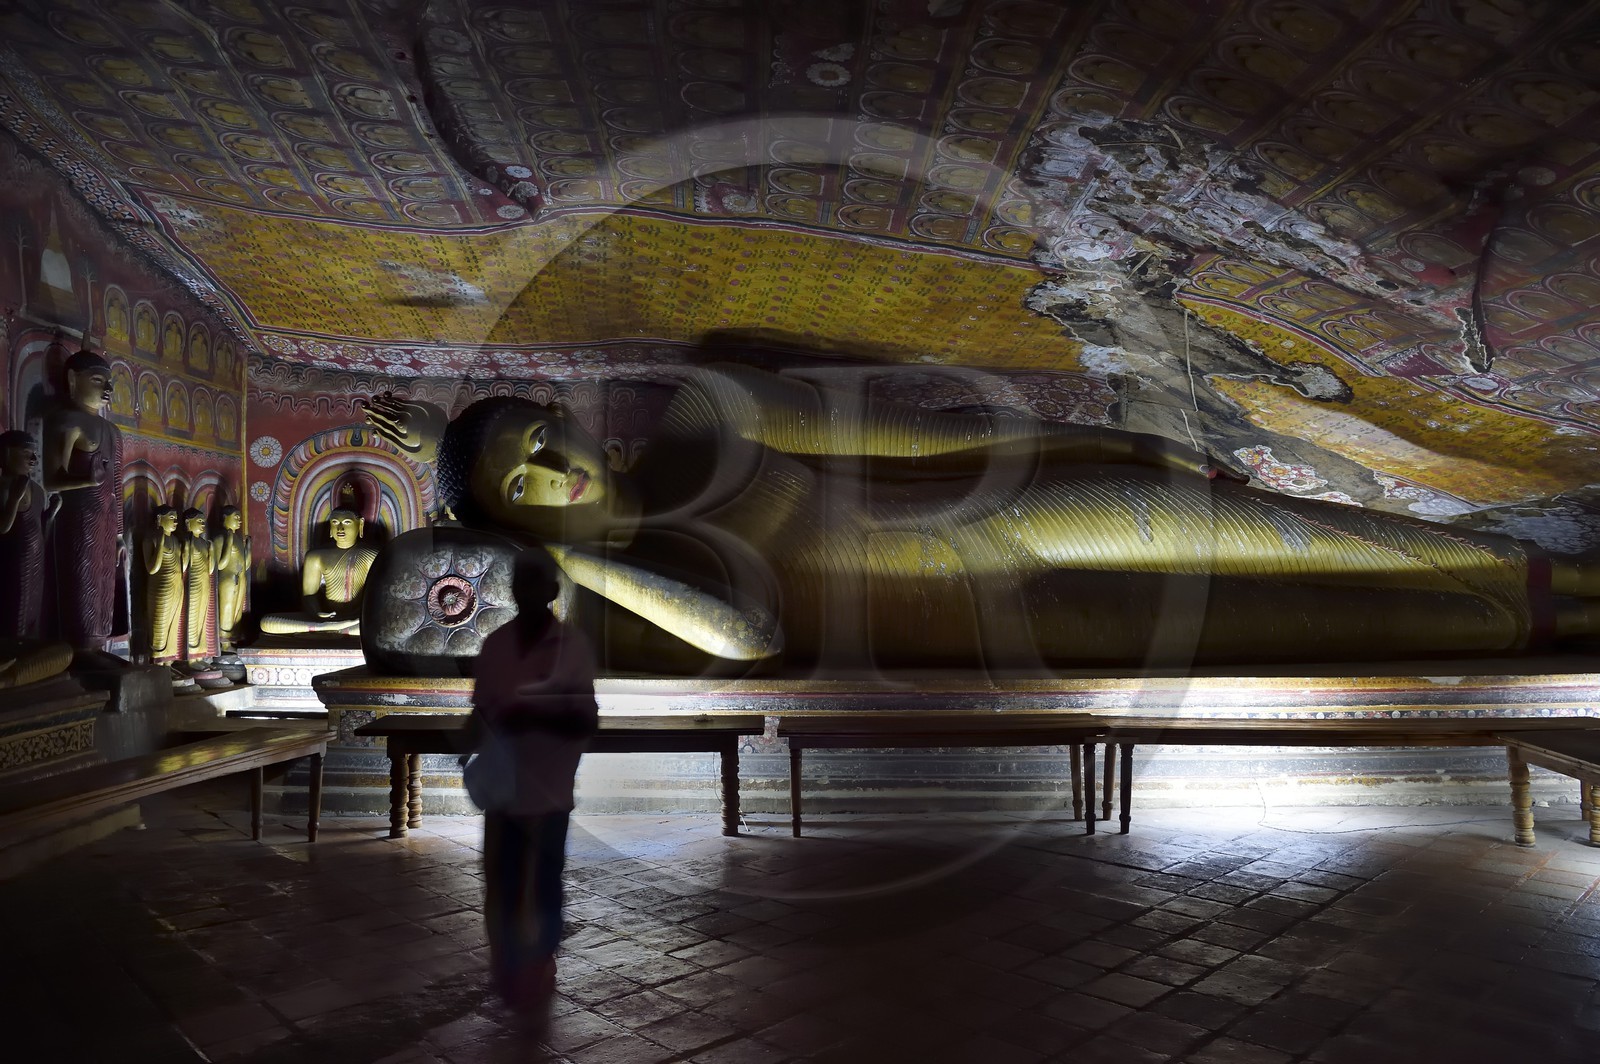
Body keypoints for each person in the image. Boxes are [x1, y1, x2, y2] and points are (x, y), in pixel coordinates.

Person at [364, 362, 1600, 675]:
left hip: (1020, 508)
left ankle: (1572, 583)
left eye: (542, 443)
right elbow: (745, 640)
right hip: (1013, 613)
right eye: (527, 489)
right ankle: (1544, 630)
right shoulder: (675, 569)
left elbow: (929, 435)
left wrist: (1113, 442)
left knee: (1311, 535)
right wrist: (540, 552)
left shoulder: (705, 415)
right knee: (1303, 624)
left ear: (572, 420)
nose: (552, 473)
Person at [464, 551, 598, 1011]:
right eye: (521, 582)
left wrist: (532, 717)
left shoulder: (572, 647)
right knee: (500, 878)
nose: (528, 591)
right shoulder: (496, 645)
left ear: (553, 592)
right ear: (513, 590)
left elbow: (585, 719)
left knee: (543, 879)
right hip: (504, 786)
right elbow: (481, 709)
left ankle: (540, 962)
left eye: (537, 582)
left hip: (550, 785)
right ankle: (505, 963)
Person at [43, 349, 124, 654]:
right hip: (78, 516)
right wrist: (87, 481)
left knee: (105, 582)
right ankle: (81, 649)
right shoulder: (65, 420)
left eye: (109, 382)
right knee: (83, 578)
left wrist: (119, 533)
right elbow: (51, 480)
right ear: (73, 380)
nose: (107, 389)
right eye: (97, 380)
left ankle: (100, 646)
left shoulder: (112, 431)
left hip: (106, 516)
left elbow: (117, 482)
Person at [259, 508, 378, 635]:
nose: (340, 529)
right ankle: (333, 628)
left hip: (358, 618)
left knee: (378, 625)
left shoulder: (372, 555)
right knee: (267, 622)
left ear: (360, 524)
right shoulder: (316, 557)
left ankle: (332, 628)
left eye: (347, 522)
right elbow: (309, 595)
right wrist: (317, 612)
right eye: (335, 523)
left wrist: (357, 614)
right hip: (324, 618)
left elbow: (377, 597)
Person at [0, 430, 54, 638]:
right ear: (6, 454)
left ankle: (29, 649)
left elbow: (40, 529)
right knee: (15, 610)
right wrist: (14, 498)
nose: (33, 459)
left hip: (36, 561)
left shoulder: (37, 490)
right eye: (25, 453)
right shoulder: (4, 487)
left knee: (34, 609)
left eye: (34, 453)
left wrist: (51, 515)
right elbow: (3, 528)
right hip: (13, 560)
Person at [213, 505, 251, 653]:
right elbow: (220, 564)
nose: (239, 520)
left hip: (239, 579)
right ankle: (224, 644)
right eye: (235, 517)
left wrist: (249, 547)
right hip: (227, 580)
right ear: (224, 518)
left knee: (237, 612)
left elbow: (246, 564)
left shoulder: (237, 538)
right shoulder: (220, 538)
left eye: (239, 517)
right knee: (226, 611)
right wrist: (228, 542)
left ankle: (232, 640)